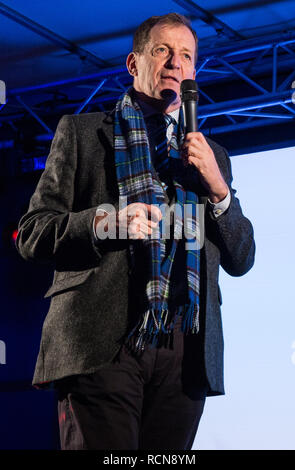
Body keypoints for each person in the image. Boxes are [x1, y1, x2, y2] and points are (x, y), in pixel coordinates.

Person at [16, 13, 255, 450]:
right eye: (162, 51)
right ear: (134, 63)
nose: (174, 63)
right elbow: (33, 233)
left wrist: (219, 189)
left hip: (186, 349)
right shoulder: (83, 134)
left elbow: (242, 259)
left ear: (193, 75)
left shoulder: (212, 155)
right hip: (101, 341)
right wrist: (106, 222)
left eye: (186, 56)